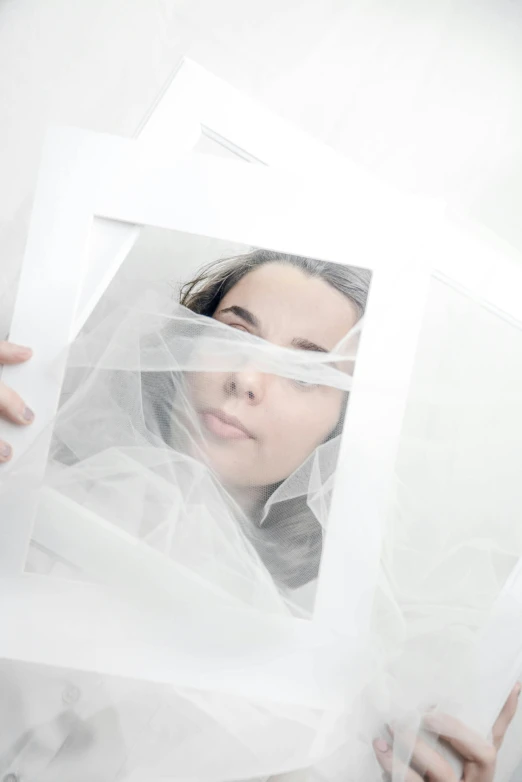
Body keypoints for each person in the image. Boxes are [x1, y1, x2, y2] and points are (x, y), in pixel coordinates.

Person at [0, 249, 520, 781]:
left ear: (347, 424)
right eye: (234, 336)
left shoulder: (343, 680)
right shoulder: (22, 482)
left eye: (303, 370)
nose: (246, 378)